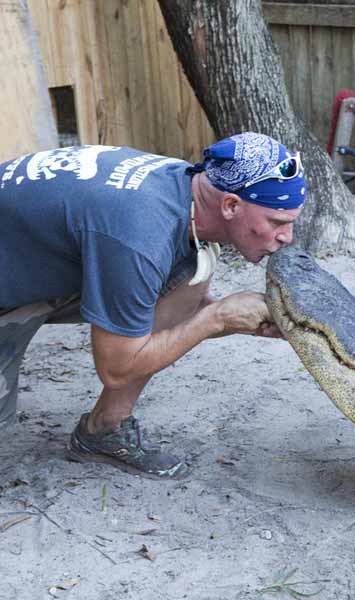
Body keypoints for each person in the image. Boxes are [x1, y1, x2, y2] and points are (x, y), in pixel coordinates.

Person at [0, 131, 306, 479]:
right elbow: (116, 368)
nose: (287, 238)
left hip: (30, 257)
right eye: (278, 222)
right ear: (231, 205)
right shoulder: (140, 233)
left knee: (188, 272)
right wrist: (217, 318)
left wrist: (235, 319)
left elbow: (180, 302)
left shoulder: (182, 190)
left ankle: (104, 429)